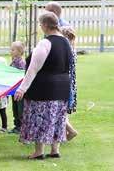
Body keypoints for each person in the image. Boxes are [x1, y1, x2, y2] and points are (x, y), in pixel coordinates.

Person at [14, 12, 72, 159]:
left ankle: (39, 151)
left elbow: (33, 68)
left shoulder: (45, 43)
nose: (40, 27)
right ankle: (55, 150)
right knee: (57, 117)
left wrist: (22, 88)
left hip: (44, 88)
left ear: (45, 25)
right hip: (63, 86)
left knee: (40, 117)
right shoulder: (66, 42)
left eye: (40, 24)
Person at [60, 26, 78, 141]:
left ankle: (71, 131)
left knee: (60, 110)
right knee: (64, 110)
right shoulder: (72, 49)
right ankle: (64, 134)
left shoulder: (66, 51)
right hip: (70, 84)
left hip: (64, 83)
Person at [8, 41, 26, 134]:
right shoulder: (13, 61)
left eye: (13, 50)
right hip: (13, 90)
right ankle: (17, 126)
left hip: (20, 90)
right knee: (15, 108)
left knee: (20, 109)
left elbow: (23, 75)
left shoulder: (21, 63)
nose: (11, 51)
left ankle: (22, 127)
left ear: (19, 51)